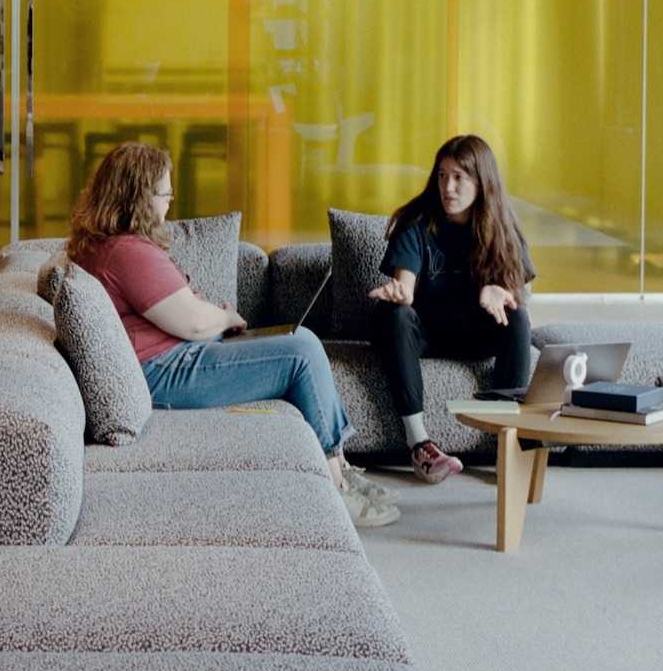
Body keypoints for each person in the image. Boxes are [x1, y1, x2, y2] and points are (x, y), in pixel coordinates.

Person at [66, 142, 397, 528]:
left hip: (170, 360)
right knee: (302, 350)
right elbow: (189, 321)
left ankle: (337, 462)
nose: (170, 202)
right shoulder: (125, 252)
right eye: (163, 193)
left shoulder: (108, 245)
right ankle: (335, 487)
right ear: (137, 195)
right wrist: (223, 319)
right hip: (165, 370)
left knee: (298, 343)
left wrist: (218, 320)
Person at [367, 134, 537, 485]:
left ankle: (509, 438)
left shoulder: (503, 227)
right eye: (443, 175)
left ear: (482, 181)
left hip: (475, 333)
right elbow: (406, 287)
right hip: (427, 335)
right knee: (393, 314)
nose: (449, 186)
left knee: (518, 316)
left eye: (460, 177)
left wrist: (499, 289)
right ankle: (420, 447)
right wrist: (399, 292)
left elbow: (521, 293)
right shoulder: (416, 224)